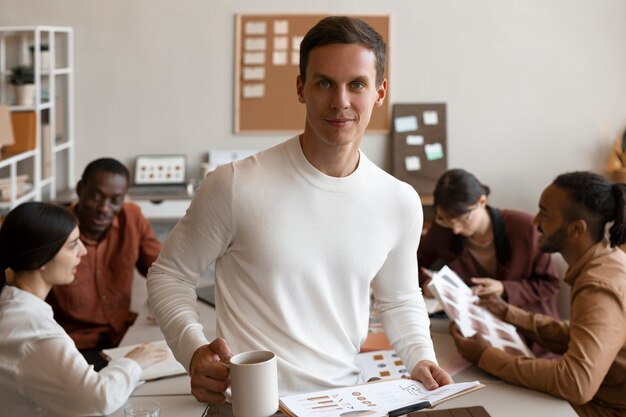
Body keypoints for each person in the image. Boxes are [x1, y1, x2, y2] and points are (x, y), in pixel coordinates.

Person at [147, 15, 452, 404]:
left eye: (356, 84)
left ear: (379, 92)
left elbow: (399, 298)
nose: (340, 100)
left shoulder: (399, 201)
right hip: (250, 405)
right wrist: (192, 351)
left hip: (343, 401)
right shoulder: (235, 185)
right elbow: (169, 276)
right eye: (324, 82)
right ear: (300, 88)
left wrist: (420, 356)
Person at [450, 171, 626, 417]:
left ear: (576, 229)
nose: (534, 221)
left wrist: (486, 356)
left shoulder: (599, 286)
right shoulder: (605, 262)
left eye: (544, 213)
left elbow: (576, 383)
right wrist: (509, 313)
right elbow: (580, 335)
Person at [0, 202, 168, 416]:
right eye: (73, 245)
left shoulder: (14, 307)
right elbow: (99, 400)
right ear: (40, 259)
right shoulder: (35, 334)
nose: (83, 252)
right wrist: (133, 361)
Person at [418, 169, 560, 356]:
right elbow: (412, 263)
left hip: (530, 332)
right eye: (445, 220)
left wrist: (504, 288)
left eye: (463, 220)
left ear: (482, 202)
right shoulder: (442, 230)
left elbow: (550, 284)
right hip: (477, 330)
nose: (456, 230)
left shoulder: (525, 228)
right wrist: (425, 282)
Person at [46, 158, 162, 370]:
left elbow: (163, 270)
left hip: (123, 336)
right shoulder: (55, 232)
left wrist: (168, 307)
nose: (104, 208)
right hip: (74, 349)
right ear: (80, 190)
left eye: (115, 200)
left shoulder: (132, 217)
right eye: (96, 197)